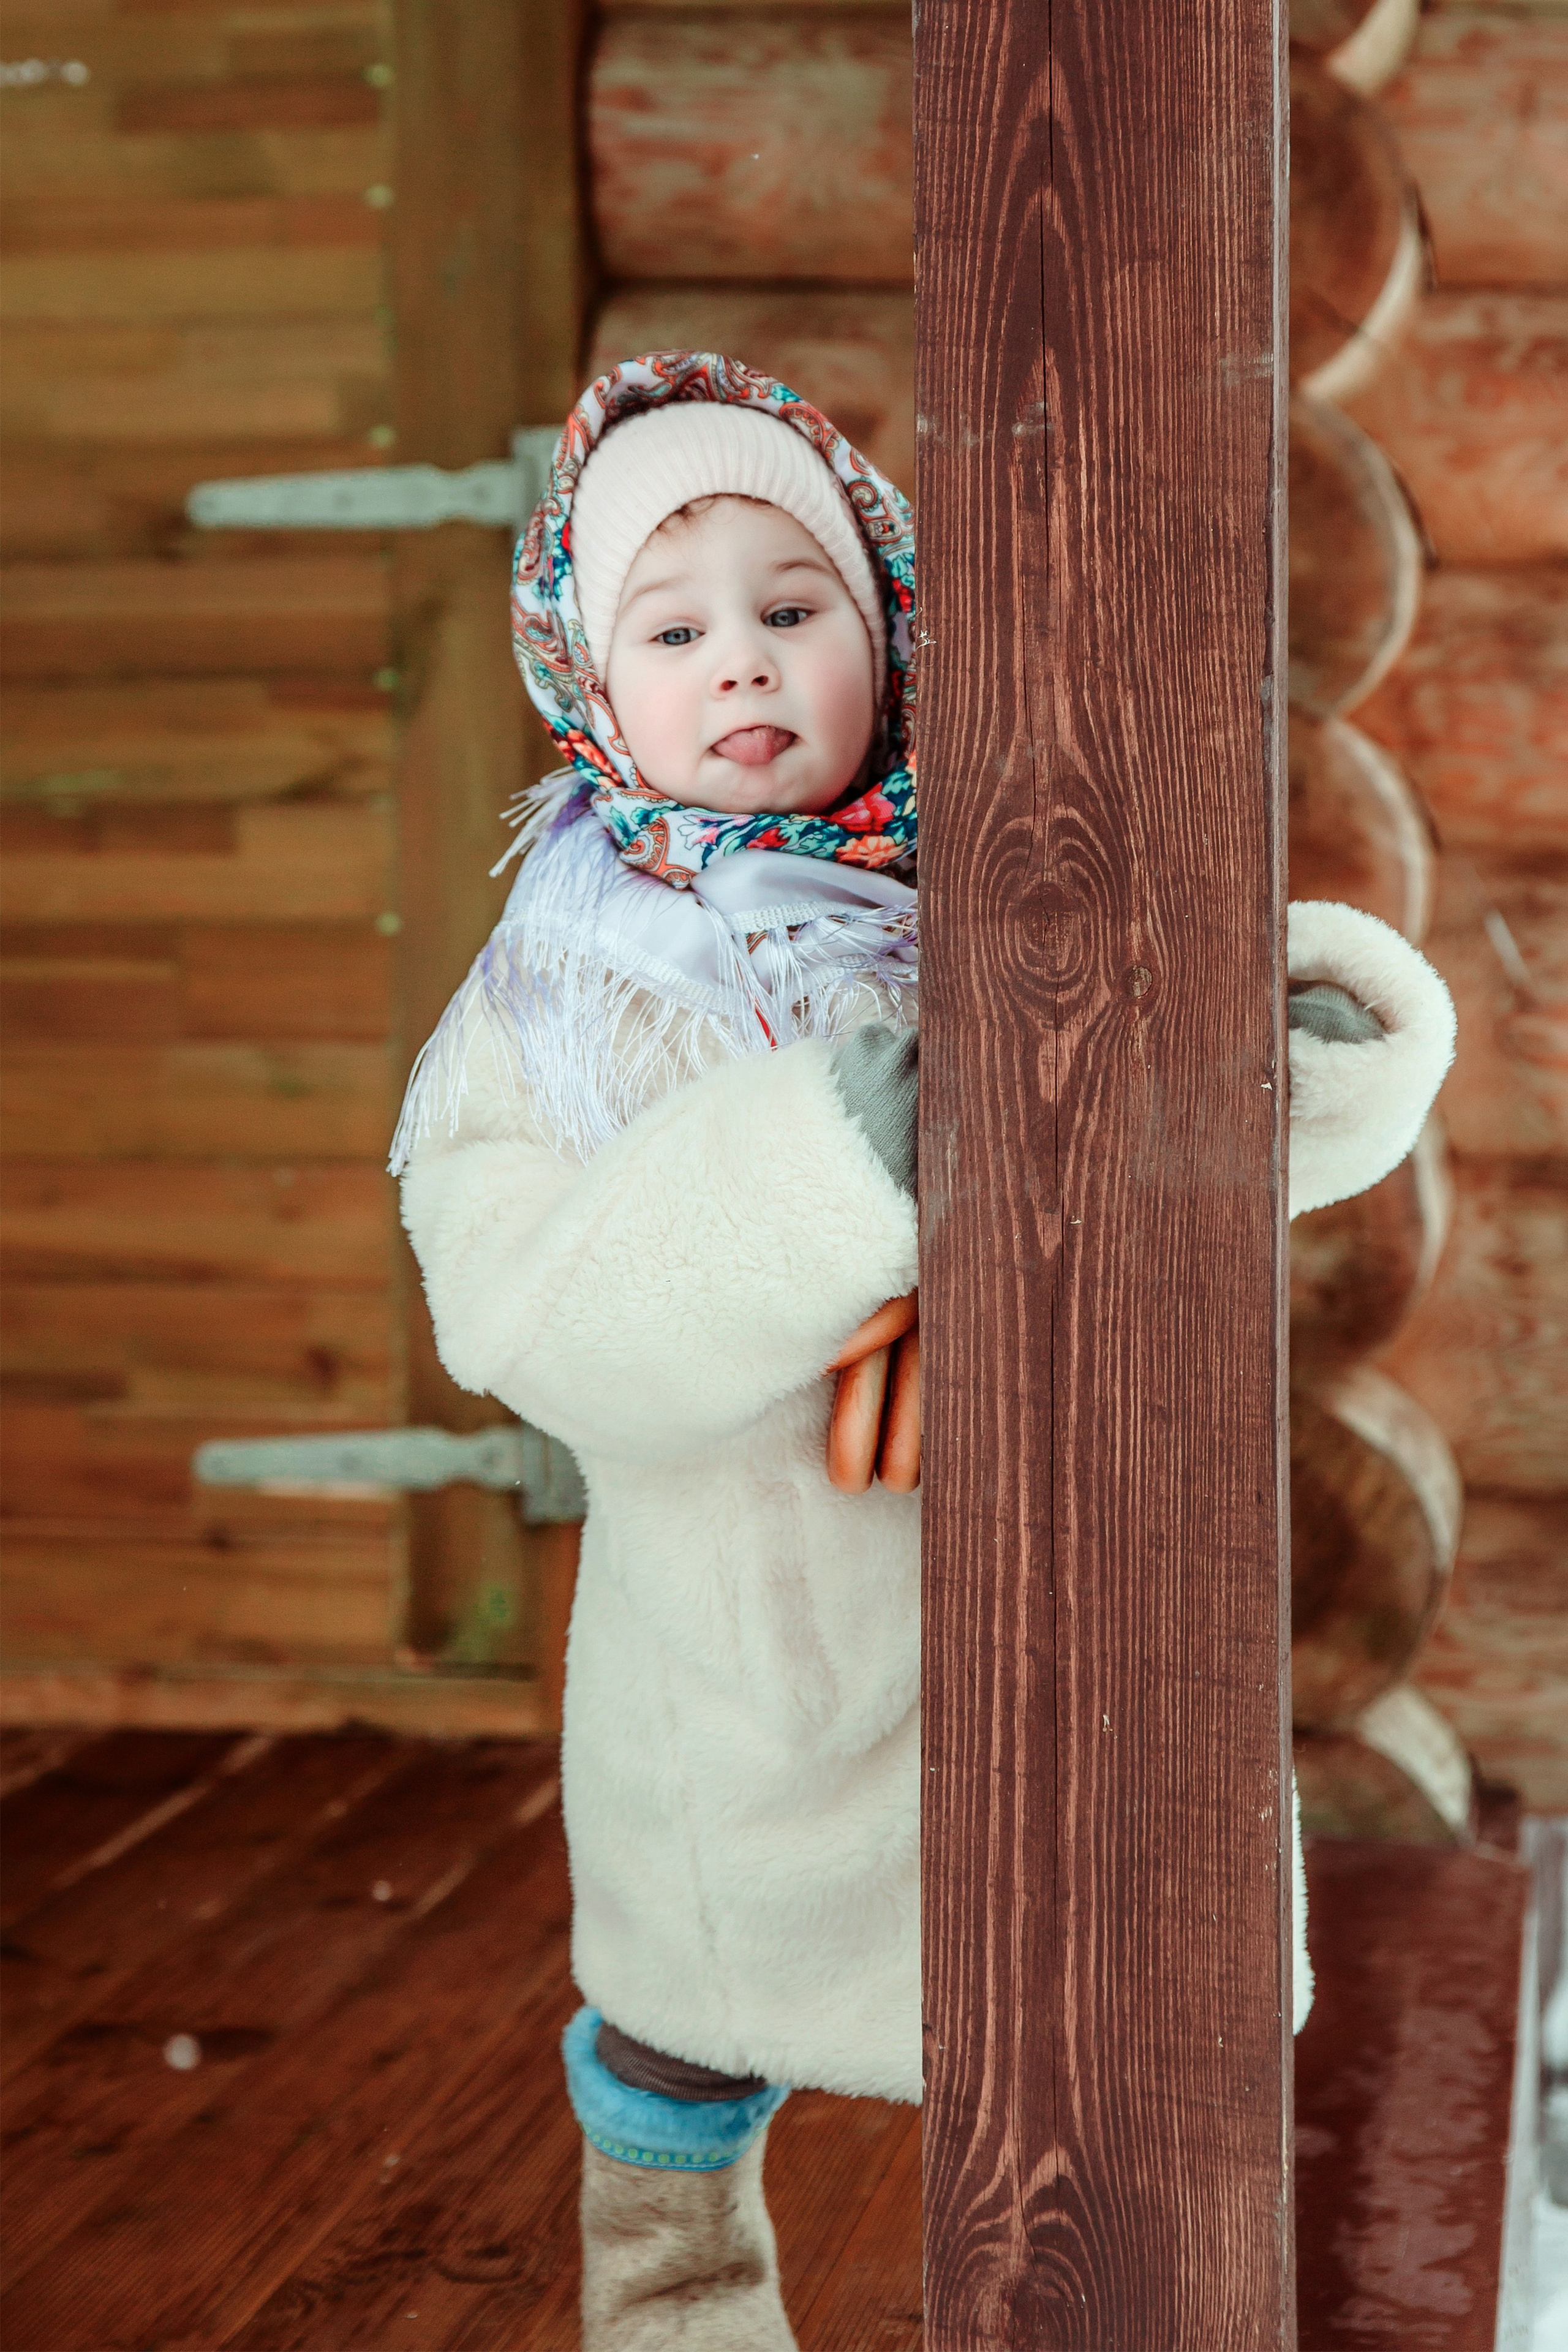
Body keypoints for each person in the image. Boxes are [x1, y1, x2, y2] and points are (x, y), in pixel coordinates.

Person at [393, 352, 1456, 2350]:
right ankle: (678, 2280)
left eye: (793, 606)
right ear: (590, 682)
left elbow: (1177, 1116)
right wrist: (828, 1156)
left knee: (1112, 2002)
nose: (743, 661)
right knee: (693, 2022)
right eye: (673, 629)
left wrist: (1296, 1044)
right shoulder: (555, 1006)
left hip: (1072, 1584)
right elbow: (527, 1317)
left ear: (882, 627)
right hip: (758, 1634)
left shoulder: (1017, 879)